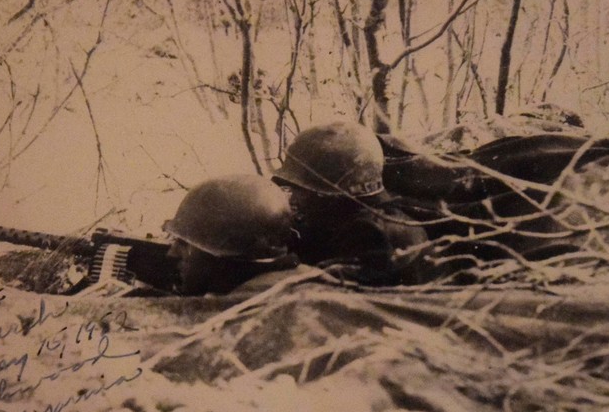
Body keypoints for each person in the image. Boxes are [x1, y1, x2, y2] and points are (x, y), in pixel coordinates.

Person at [272, 122, 429, 285]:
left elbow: (318, 291)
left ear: (329, 192)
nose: (293, 198)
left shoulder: (374, 235)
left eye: (301, 189)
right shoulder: (349, 217)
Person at [162, 174, 300, 296]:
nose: (172, 253)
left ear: (226, 253)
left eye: (185, 244)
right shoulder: (286, 288)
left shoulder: (245, 310)